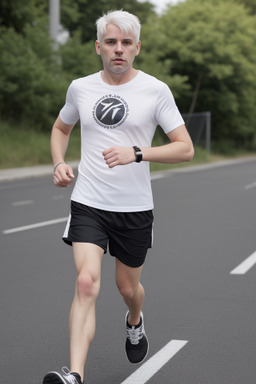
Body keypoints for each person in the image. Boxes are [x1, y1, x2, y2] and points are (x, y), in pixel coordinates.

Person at [42, 9, 194, 384]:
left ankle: (135, 320)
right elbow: (61, 127)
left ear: (137, 47)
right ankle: (75, 375)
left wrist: (138, 152)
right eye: (111, 42)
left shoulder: (156, 91)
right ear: (98, 47)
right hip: (89, 202)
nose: (118, 50)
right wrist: (59, 162)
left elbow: (185, 148)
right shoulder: (81, 88)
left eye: (126, 43)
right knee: (85, 282)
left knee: (127, 288)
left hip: (134, 209)